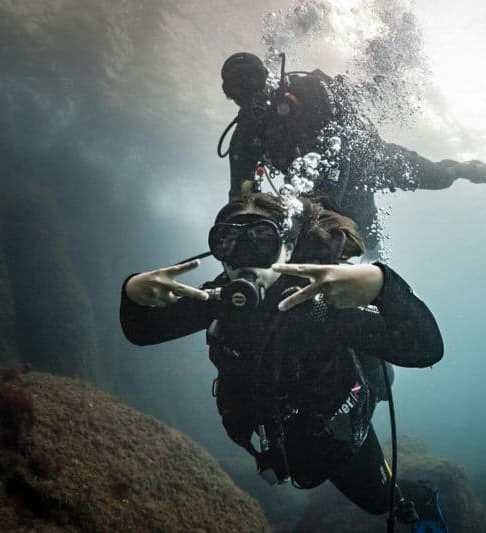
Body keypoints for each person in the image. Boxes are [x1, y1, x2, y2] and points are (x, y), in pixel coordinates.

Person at [120, 192, 446, 526]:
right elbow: (142, 331)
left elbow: (425, 348)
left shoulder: (321, 306)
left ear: (287, 246)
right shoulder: (218, 301)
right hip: (280, 445)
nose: (245, 259)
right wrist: (132, 291)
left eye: (262, 241)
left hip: (339, 439)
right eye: (229, 242)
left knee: (380, 501)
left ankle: (425, 497)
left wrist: (382, 285)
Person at [219, 52, 486, 251]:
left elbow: (342, 137)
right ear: (230, 97)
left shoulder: (305, 89)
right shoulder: (244, 139)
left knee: (437, 178)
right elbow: (241, 196)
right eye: (236, 88)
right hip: (322, 195)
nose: (248, 92)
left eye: (251, 79)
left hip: (370, 159)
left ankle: (472, 171)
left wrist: (328, 197)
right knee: (366, 245)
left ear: (267, 75)